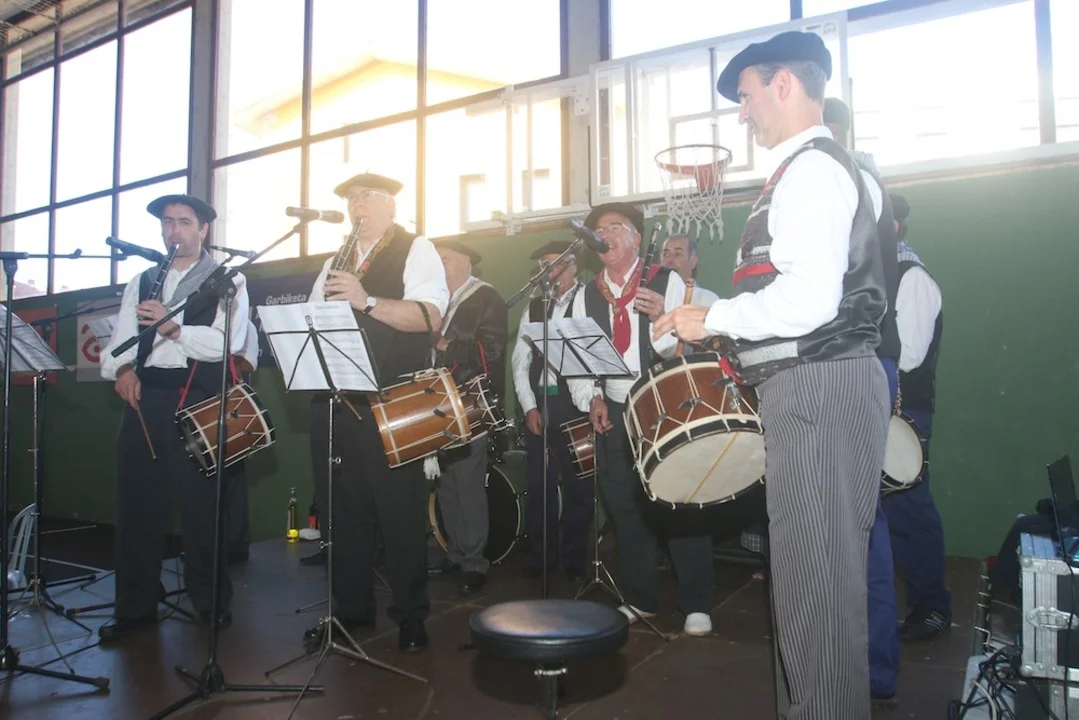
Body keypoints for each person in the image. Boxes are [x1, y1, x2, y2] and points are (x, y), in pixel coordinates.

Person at [655, 31, 891, 717]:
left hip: (818, 384)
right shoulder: (816, 169)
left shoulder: (813, 170)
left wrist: (711, 317)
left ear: (783, 84)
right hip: (815, 385)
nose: (742, 113)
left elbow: (809, 302)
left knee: (816, 591)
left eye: (746, 95)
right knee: (809, 591)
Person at [303, 173, 448, 652]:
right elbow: (309, 324)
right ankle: (352, 609)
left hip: (393, 403)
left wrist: (364, 300)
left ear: (390, 205)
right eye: (350, 199)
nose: (356, 206)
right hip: (338, 402)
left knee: (400, 511)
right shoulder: (335, 261)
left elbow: (429, 317)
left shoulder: (416, 248)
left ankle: (411, 615)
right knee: (343, 513)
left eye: (366, 197)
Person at [98, 193, 250, 641]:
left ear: (203, 229)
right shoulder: (144, 279)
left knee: (202, 508)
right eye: (168, 222)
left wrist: (173, 326)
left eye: (184, 222)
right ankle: (135, 605)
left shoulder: (227, 279)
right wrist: (123, 370)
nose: (174, 231)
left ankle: (211, 602)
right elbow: (121, 340)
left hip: (199, 397)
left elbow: (227, 343)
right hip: (147, 398)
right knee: (137, 506)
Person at [567, 202, 716, 638]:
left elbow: (680, 348)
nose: (606, 233)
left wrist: (660, 319)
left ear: (636, 238)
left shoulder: (667, 280)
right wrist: (592, 396)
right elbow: (581, 358)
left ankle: (697, 602)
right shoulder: (585, 294)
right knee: (624, 505)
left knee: (680, 500)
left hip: (662, 400)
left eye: (617, 226)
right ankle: (640, 597)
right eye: (600, 228)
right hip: (614, 407)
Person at [825, 95, 903, 708]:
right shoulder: (844, 178)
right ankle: (847, 663)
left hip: (860, 360)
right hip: (846, 361)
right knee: (842, 523)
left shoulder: (849, 180)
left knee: (862, 523)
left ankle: (871, 670)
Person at [884, 194, 951, 640]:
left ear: (893, 227)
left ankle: (933, 606)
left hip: (905, 412)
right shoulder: (873, 278)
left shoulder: (913, 278)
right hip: (875, 408)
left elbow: (908, 356)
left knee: (910, 508)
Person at [509, 241, 591, 582]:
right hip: (540, 403)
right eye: (543, 265)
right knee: (539, 485)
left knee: (578, 488)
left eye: (554, 264)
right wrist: (529, 406)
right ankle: (542, 558)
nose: (548, 271)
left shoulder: (589, 299)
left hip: (575, 405)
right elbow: (519, 361)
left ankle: (574, 562)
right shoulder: (534, 306)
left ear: (573, 266)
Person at [429, 239, 508, 594]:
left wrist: (445, 344)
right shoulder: (435, 300)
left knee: (467, 481)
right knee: (445, 482)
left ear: (466, 263)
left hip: (471, 402)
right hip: (436, 401)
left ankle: (475, 561)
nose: (439, 266)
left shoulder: (486, 298)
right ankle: (456, 551)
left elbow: (492, 351)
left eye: (445, 259)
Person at [225, 320, 259, 564]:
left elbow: (249, 364)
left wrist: (219, 359)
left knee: (233, 478)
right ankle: (207, 545)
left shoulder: (245, 325)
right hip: (198, 401)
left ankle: (236, 544)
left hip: (230, 407)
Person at [660, 234, 719, 307]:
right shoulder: (652, 295)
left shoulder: (707, 300)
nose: (670, 260)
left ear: (693, 262)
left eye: (677, 254)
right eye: (666, 254)